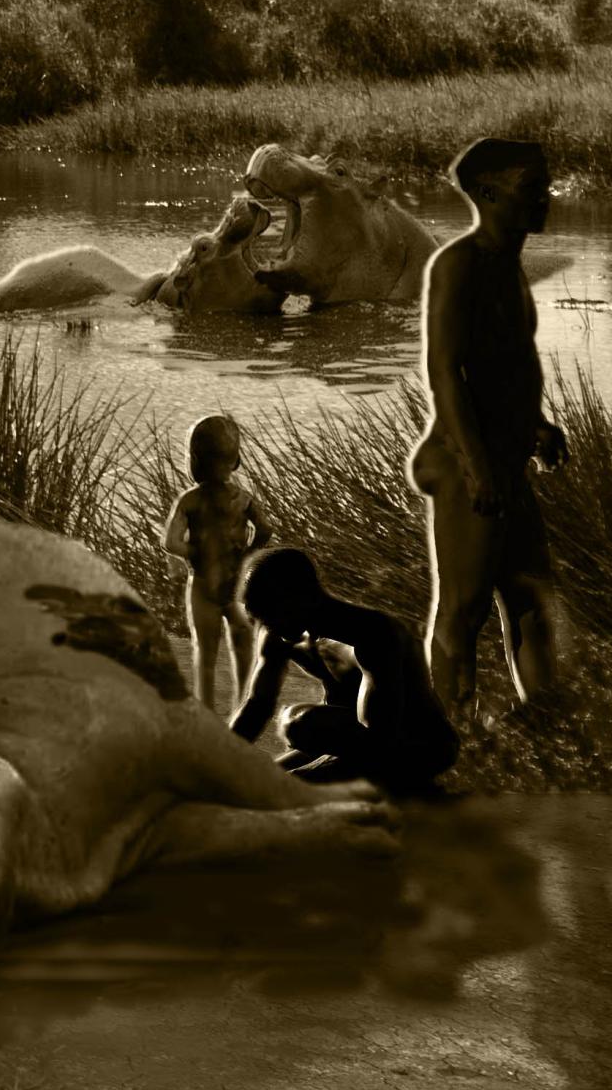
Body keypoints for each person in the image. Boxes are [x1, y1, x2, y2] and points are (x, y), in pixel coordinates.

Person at [409, 137, 568, 721]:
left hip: (505, 458)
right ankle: (450, 734)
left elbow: (506, 362)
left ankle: (546, 725)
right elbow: (444, 373)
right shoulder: (458, 264)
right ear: (486, 194)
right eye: (532, 189)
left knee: (530, 599)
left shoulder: (509, 264)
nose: (544, 199)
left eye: (544, 186)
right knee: (463, 607)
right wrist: (476, 467)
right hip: (464, 461)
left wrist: (536, 424)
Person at [229, 546, 459, 796]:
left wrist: (293, 781)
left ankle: (407, 787)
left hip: (417, 743)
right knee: (255, 775)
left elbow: (379, 741)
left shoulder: (373, 635)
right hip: (352, 740)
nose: (265, 625)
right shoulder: (280, 631)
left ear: (300, 597)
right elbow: (257, 706)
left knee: (300, 724)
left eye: (270, 613)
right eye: (260, 617)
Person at [161, 414, 269, 711]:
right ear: (235, 460)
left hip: (203, 586)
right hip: (236, 585)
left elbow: (170, 542)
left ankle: (207, 712)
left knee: (205, 654)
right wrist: (249, 553)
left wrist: (193, 552)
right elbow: (266, 529)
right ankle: (244, 708)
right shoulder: (243, 498)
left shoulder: (190, 500)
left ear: (194, 459)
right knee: (244, 648)